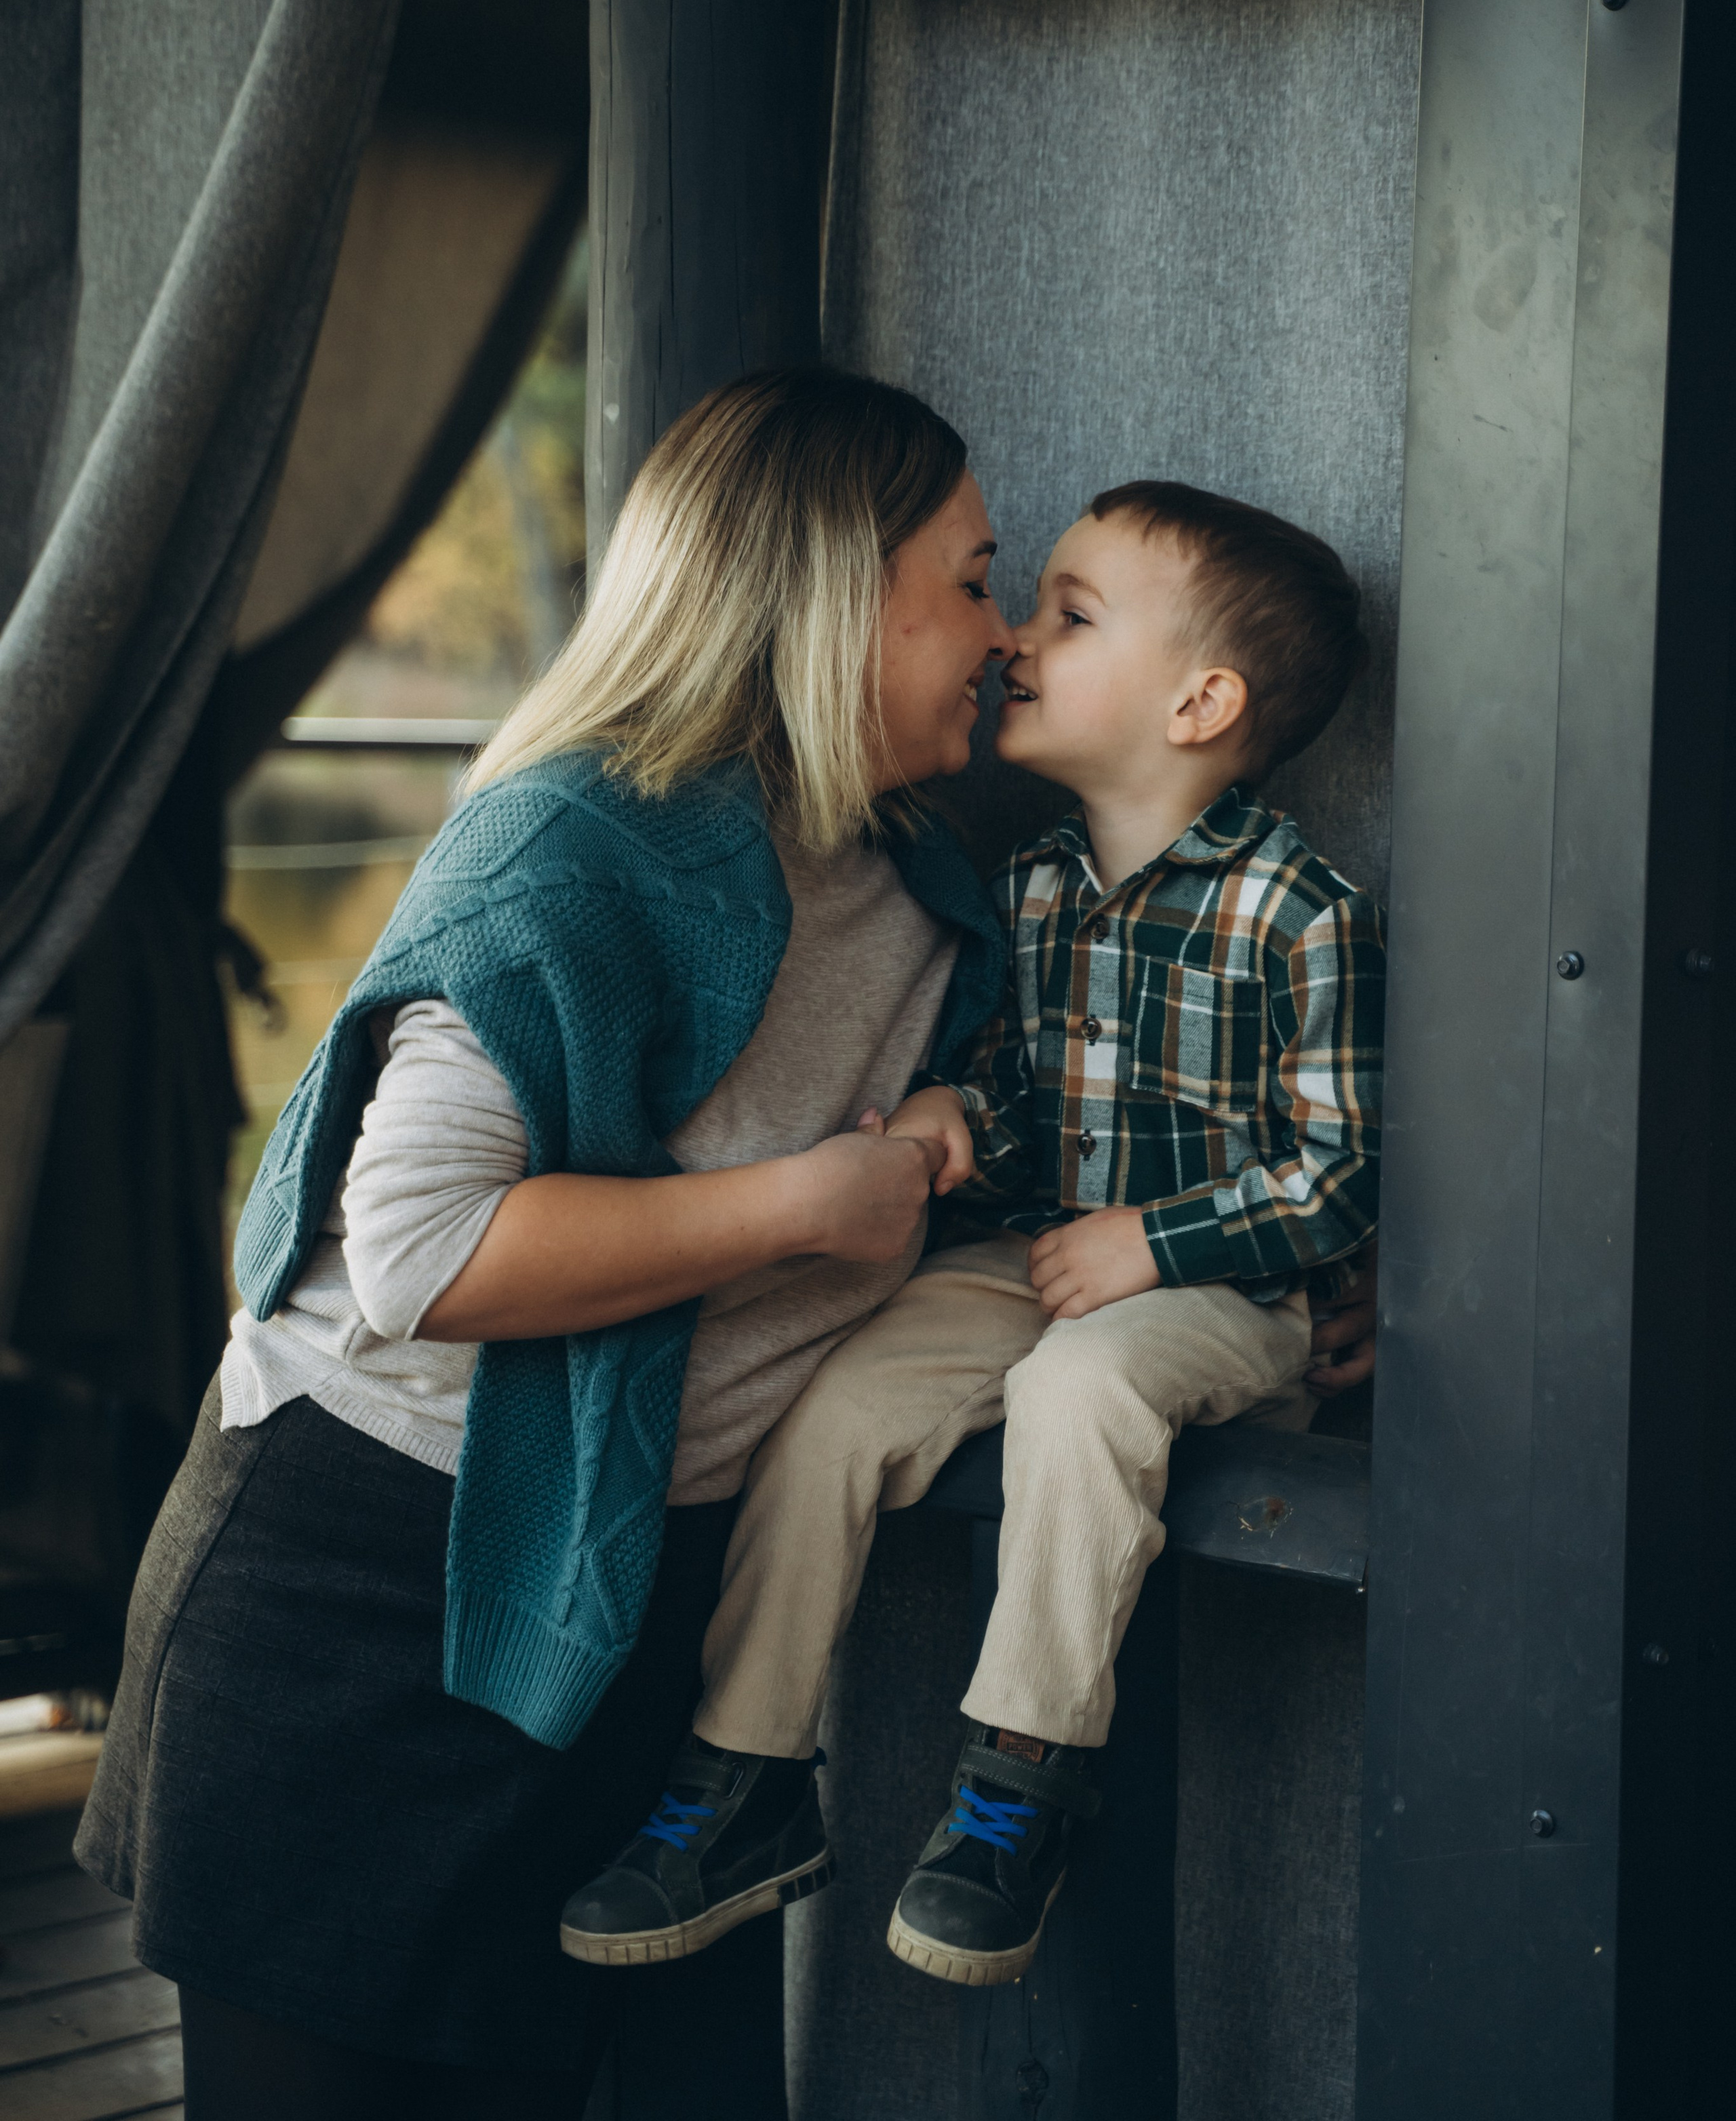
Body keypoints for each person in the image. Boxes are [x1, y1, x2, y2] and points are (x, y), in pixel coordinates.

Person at [74, 368, 1021, 2114]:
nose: (1005, 631)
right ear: (829, 596)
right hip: (363, 1596)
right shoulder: (577, 845)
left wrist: (1271, 1291)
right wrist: (803, 1206)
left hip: (644, 1629)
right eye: (969, 581)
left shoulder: (924, 892)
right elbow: (420, 1250)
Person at [560, 479, 1384, 1991]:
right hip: (1030, 1258)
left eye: (1069, 617)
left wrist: (1154, 1242)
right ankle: (742, 1776)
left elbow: (1337, 1175)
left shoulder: (1300, 910)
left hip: (1220, 1289)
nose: (1015, 641)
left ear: (1200, 704)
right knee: (834, 1407)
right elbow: (1017, 1096)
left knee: (1082, 1389)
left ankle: (1021, 1783)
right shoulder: (1032, 887)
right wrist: (955, 1114)